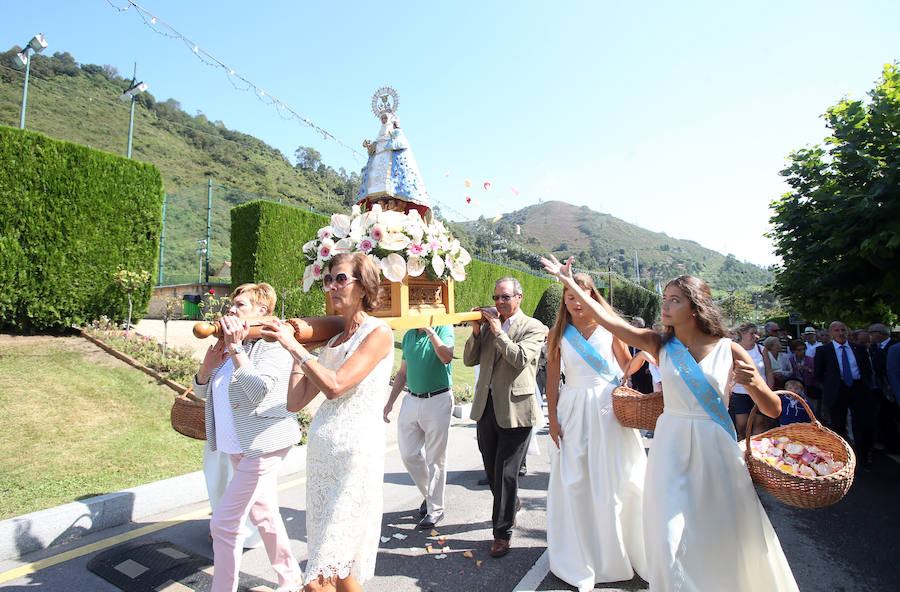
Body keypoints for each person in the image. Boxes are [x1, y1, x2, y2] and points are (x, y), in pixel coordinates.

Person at [541, 255, 797, 592]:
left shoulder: (730, 349)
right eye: (664, 299)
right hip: (670, 444)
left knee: (726, 529)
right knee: (666, 533)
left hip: (715, 447)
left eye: (674, 300)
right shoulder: (659, 344)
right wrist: (569, 282)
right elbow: (610, 320)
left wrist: (756, 385)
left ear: (695, 307)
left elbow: (774, 409)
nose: (665, 306)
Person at [261, 253, 393, 592]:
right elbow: (295, 401)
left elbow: (335, 386)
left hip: (355, 460)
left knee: (320, 575)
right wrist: (297, 350)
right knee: (340, 567)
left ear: (363, 287)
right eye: (328, 280)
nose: (332, 287)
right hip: (323, 462)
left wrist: (295, 346)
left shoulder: (379, 333)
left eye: (341, 279)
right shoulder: (333, 340)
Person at [193, 283, 303, 592]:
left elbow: (258, 392)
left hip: (263, 444)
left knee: (224, 524)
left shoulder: (272, 344)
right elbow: (202, 391)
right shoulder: (227, 346)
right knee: (263, 514)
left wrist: (237, 349)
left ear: (261, 312)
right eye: (232, 305)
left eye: (240, 305)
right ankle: (291, 577)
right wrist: (209, 364)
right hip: (236, 445)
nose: (231, 310)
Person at [545, 273, 647, 589]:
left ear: (592, 295)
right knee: (577, 482)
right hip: (572, 409)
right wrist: (552, 418)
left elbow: (626, 369)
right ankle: (581, 553)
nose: (574, 302)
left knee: (615, 479)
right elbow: (551, 379)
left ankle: (619, 551)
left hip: (608, 409)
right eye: (569, 296)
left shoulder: (610, 328)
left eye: (580, 294)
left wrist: (642, 357)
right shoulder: (557, 333)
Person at [463, 277, 545, 558]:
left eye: (505, 297)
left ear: (519, 297)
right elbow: (469, 361)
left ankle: (502, 533)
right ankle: (511, 505)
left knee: (507, 473)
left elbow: (520, 358)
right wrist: (476, 332)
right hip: (485, 408)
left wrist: (499, 332)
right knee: (491, 471)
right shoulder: (488, 327)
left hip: (516, 410)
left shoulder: (534, 327)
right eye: (496, 297)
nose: (499, 302)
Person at [383, 324, 455, 530]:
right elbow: (403, 372)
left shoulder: (444, 329)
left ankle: (436, 509)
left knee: (436, 458)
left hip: (438, 399)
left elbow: (446, 357)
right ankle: (430, 496)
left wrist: (431, 332)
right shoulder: (408, 335)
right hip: (412, 399)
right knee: (408, 454)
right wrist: (389, 403)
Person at [814, 321, 876, 467]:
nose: (840, 333)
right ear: (831, 333)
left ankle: (863, 456)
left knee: (861, 423)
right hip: (837, 390)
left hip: (858, 388)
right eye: (836, 330)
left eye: (843, 330)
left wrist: (865, 385)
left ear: (848, 332)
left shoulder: (859, 349)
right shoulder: (823, 351)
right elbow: (819, 373)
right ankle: (843, 457)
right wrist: (830, 385)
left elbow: (867, 369)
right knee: (838, 424)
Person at [729, 323, 773, 439]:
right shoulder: (733, 349)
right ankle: (743, 444)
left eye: (756, 333)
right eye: (752, 333)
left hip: (759, 391)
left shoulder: (761, 349)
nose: (756, 336)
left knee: (759, 422)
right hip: (739, 392)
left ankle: (755, 449)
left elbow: (769, 371)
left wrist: (770, 390)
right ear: (742, 334)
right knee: (741, 424)